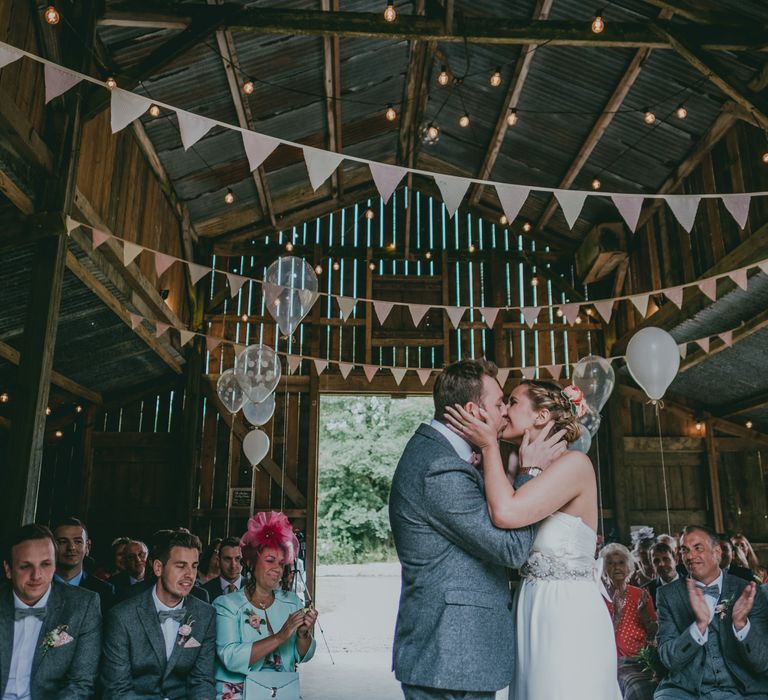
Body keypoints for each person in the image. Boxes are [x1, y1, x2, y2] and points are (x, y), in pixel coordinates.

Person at [390, 360, 567, 700]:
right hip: (450, 655)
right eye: (500, 403)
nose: (504, 412)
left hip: (455, 657)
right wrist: (529, 473)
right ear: (473, 410)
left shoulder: (446, 456)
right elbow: (511, 550)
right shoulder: (439, 468)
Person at [444, 378, 620, 700]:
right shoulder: (520, 466)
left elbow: (507, 514)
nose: (503, 410)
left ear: (540, 416)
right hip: (531, 606)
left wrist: (489, 447)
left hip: (567, 612)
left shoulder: (575, 465)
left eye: (511, 401)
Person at [654, 525, 768, 699]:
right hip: (686, 690)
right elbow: (668, 659)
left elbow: (762, 662)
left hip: (743, 689)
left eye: (698, 548)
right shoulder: (668, 595)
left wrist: (741, 625)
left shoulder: (747, 591)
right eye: (685, 550)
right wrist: (698, 627)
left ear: (717, 553)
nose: (690, 556)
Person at [100, 529, 216, 699]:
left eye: (194, 566)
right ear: (158, 568)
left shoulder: (206, 614)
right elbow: (117, 689)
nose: (190, 575)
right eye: (181, 566)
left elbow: (202, 681)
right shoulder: (122, 616)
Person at [214, 511, 317, 700]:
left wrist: (303, 635)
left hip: (281, 691)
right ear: (251, 562)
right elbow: (230, 657)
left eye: (281, 563)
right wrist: (280, 637)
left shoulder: (291, 601)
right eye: (270, 561)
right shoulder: (226, 604)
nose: (277, 569)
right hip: (239, 693)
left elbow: (302, 655)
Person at [0, 523, 102, 698]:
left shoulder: (84, 605)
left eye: (46, 564)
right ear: (8, 569)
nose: (36, 575)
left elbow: (80, 683)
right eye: (25, 566)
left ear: (55, 566)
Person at [601, 543, 658, 700]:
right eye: (610, 563)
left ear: (628, 567)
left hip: (643, 659)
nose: (616, 567)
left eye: (620, 563)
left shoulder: (640, 594)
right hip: (615, 661)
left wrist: (645, 615)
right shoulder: (599, 597)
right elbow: (598, 636)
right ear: (604, 569)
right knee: (636, 687)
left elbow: (653, 632)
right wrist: (617, 613)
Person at [53, 516, 115, 613]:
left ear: (88, 547)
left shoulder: (104, 591)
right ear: (51, 546)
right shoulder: (37, 586)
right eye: (63, 542)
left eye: (78, 541)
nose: (71, 547)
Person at [203, 536, 244, 602]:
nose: (233, 565)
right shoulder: (204, 591)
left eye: (237, 559)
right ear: (218, 561)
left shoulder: (255, 589)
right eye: (227, 559)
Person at [644, 542, 680, 606]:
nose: (661, 564)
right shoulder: (646, 592)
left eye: (666, 559)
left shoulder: (691, 584)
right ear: (652, 565)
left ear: (676, 560)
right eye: (656, 561)